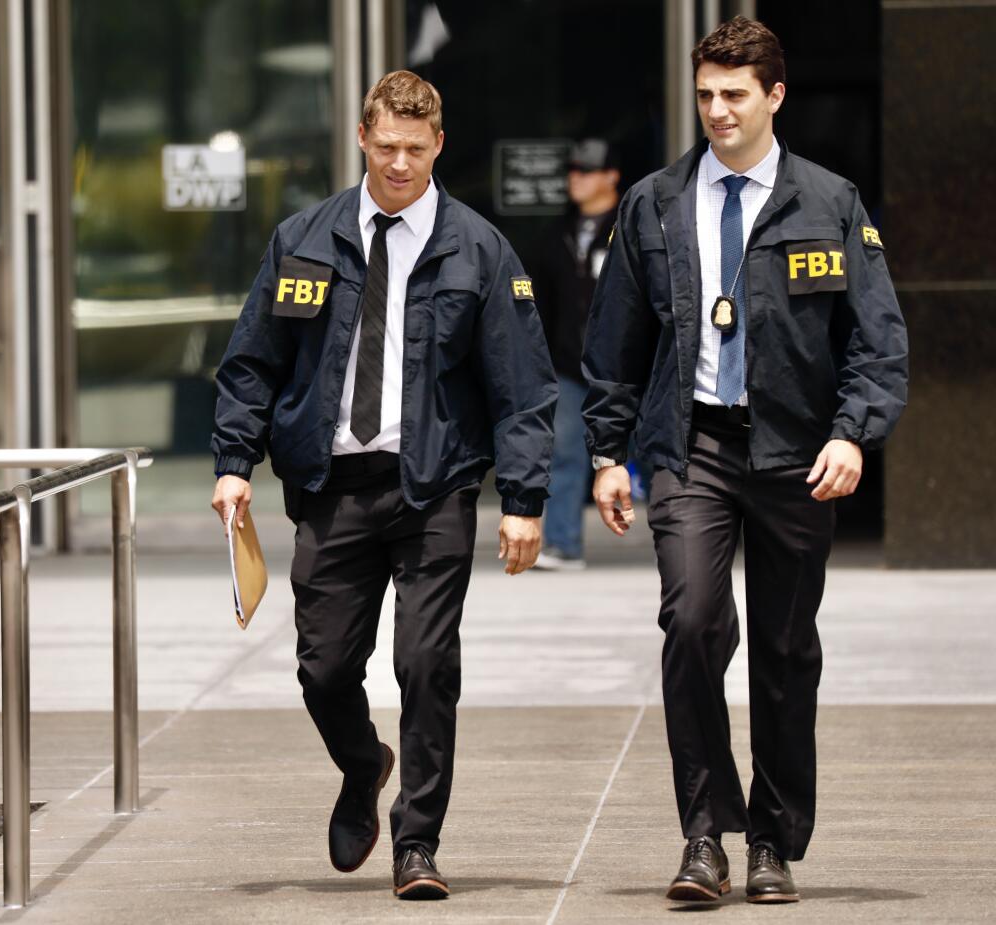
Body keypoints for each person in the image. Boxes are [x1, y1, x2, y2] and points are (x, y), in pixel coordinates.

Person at [582, 17, 907, 905]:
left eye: (734, 94)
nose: (717, 111)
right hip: (692, 445)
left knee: (783, 647)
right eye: (705, 95)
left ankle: (772, 839)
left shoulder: (830, 202)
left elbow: (878, 341)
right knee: (691, 622)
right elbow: (614, 342)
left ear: (775, 95)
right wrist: (607, 450)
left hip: (799, 454)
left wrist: (852, 431)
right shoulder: (653, 202)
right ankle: (702, 834)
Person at [210, 70, 556, 901]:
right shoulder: (304, 238)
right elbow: (252, 362)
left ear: (439, 144)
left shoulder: (479, 248)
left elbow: (523, 386)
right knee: (324, 667)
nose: (399, 163)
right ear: (361, 139)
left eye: (416, 148)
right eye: (386, 146)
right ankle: (364, 763)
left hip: (431, 482)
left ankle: (418, 842)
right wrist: (232, 462)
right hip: (331, 486)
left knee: (427, 660)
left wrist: (525, 499)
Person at [532, 139, 620, 570]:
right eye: (573, 171)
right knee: (565, 451)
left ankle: (683, 541)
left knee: (663, 451)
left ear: (611, 176)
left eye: (586, 171)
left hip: (626, 368)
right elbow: (541, 304)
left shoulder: (632, 226)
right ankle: (563, 544)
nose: (576, 179)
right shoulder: (557, 235)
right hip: (568, 365)